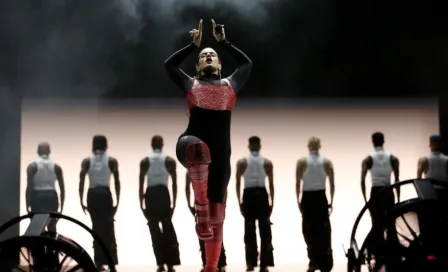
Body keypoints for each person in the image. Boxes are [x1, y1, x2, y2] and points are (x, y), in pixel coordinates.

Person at [165, 18, 252, 272]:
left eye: (213, 54)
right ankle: (200, 210)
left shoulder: (230, 85)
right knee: (199, 150)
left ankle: (211, 266)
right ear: (197, 65)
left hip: (221, 160)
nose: (209, 56)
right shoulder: (190, 84)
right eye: (204, 56)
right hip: (191, 146)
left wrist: (225, 43)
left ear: (221, 63)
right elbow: (169, 65)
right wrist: (192, 46)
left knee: (217, 219)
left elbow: (247, 64)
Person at [139, 135, 180, 272]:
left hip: (150, 195)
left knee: (154, 231)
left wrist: (141, 205)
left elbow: (141, 185)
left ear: (151, 145)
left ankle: (160, 264)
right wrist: (173, 203)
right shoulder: (169, 161)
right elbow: (174, 184)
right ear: (162, 145)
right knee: (168, 230)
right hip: (163, 194)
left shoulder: (145, 162)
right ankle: (170, 264)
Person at [79, 135, 120, 271]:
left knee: (96, 227)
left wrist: (81, 200)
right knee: (109, 229)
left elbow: (82, 181)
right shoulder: (112, 161)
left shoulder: (87, 161)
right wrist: (117, 202)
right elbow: (117, 181)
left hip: (93, 194)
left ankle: (98, 262)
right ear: (106, 146)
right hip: (105, 194)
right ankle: (111, 263)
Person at [235, 136, 274, 272]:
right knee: (265, 231)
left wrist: (240, 201)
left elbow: (238, 184)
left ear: (249, 146)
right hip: (262, 195)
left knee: (249, 231)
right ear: (260, 146)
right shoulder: (267, 162)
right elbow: (271, 184)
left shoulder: (242, 162)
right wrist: (271, 202)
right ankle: (264, 264)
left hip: (249, 195)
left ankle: (251, 263)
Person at [295, 137, 334, 272]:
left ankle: (313, 262)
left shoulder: (301, 162)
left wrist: (298, 200)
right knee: (323, 230)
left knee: (308, 230)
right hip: (320, 196)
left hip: (308, 196)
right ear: (319, 146)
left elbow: (297, 182)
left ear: (308, 146)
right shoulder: (327, 162)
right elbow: (332, 184)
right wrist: (331, 201)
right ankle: (325, 262)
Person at [186, 173, 227, 272]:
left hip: (206, 200)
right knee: (212, 232)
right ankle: (214, 264)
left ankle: (215, 264)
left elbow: (187, 188)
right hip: (212, 199)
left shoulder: (195, 167)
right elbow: (223, 187)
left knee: (207, 233)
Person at [26, 142, 65, 233]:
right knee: (52, 225)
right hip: (51, 196)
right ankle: (52, 246)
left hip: (37, 196)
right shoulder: (56, 167)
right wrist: (62, 206)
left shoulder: (32, 166)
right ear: (49, 151)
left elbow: (29, 187)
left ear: (37, 151)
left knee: (37, 226)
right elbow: (62, 188)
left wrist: (27, 203)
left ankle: (38, 246)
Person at [361, 132, 400, 223]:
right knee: (391, 223)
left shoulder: (368, 159)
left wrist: (366, 201)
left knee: (376, 224)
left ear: (372, 142)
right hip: (388, 191)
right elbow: (397, 180)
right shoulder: (393, 158)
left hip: (376, 192)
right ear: (383, 141)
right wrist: (398, 199)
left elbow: (362, 181)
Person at [417, 135, 448, 199]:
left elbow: (418, 181)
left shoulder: (423, 160)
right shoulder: (447, 160)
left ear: (430, 145)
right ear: (441, 145)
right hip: (444, 193)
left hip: (429, 193)